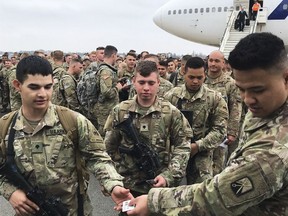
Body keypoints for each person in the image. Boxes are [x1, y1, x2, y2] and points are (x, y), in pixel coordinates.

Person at [123, 32, 288, 216]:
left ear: (286, 79)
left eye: (257, 90)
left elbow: (218, 196)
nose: (248, 99)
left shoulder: (272, 150)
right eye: (242, 89)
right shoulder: (267, 107)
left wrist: (153, 201)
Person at [0, 55, 132, 216]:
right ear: (17, 85)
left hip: (72, 211)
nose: (43, 94)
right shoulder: (5, 127)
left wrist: (113, 184)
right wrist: (11, 192)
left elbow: (97, 157)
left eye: (48, 87)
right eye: (34, 87)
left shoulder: (72, 121)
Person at [104, 60, 192, 197]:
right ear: (134, 81)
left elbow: (183, 147)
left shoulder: (171, 112)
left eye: (151, 83)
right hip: (128, 185)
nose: (146, 88)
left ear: (158, 83)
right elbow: (108, 148)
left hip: (161, 186)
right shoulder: (120, 111)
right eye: (141, 82)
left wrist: (168, 176)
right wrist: (112, 181)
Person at [164, 57, 228, 184]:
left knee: (202, 192)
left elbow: (220, 130)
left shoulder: (214, 99)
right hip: (174, 152)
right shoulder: (171, 97)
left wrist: (197, 146)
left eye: (199, 78)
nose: (195, 81)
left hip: (202, 152)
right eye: (191, 77)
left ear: (205, 75)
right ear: (184, 74)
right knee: (169, 193)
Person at [204, 50, 242, 175]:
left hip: (221, 131)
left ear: (223, 63)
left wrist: (232, 132)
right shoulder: (201, 79)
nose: (213, 64)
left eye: (217, 61)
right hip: (201, 130)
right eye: (211, 60)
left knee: (217, 165)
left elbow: (235, 108)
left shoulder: (230, 83)